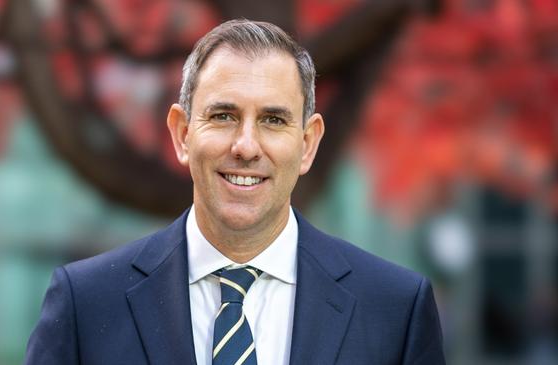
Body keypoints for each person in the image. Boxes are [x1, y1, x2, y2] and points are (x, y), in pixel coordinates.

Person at [25, 19, 445, 365]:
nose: (245, 146)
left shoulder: (395, 311)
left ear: (308, 143)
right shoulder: (87, 305)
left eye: (273, 120)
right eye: (224, 116)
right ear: (183, 134)